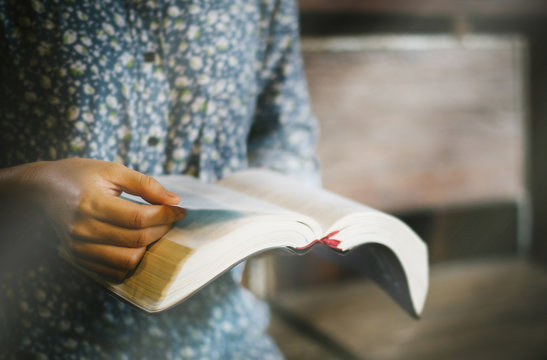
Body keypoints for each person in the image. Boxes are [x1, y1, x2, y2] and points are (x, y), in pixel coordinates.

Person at [0, 0, 319, 358]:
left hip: (225, 335)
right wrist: (31, 185)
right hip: (46, 339)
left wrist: (275, 219)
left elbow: (282, 129)